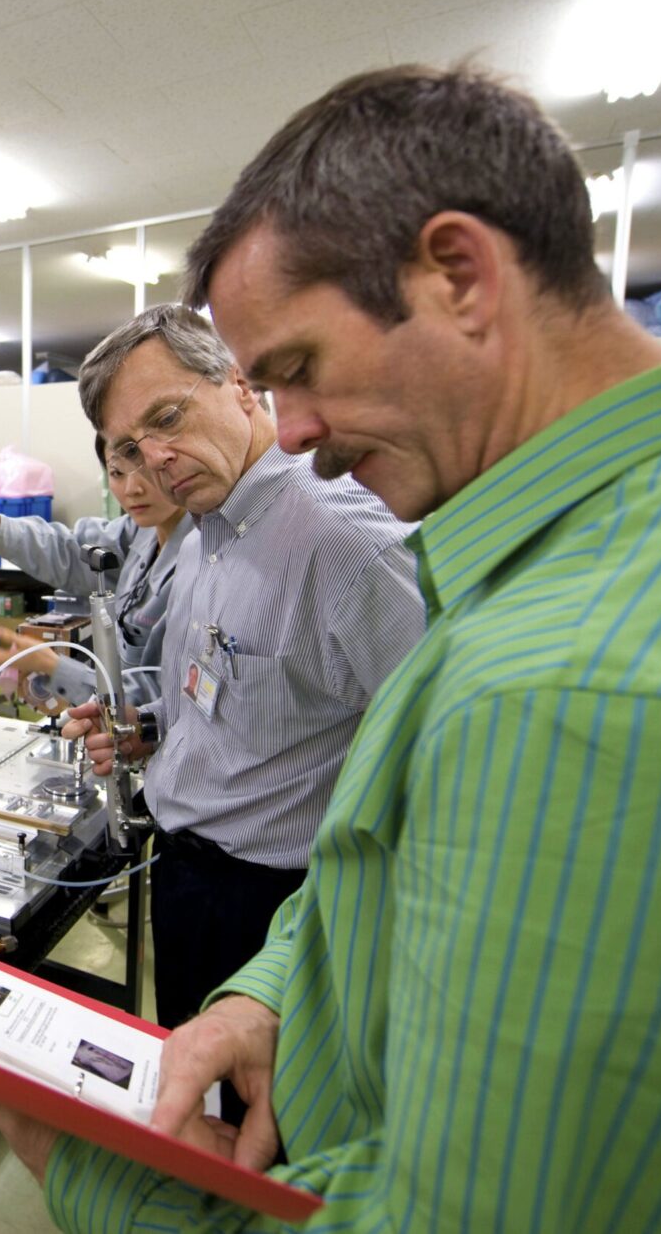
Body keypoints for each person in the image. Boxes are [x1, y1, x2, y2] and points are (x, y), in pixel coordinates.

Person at [0, 64, 661, 1232]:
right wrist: (285, 990)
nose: (292, 432)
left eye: (295, 370)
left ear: (460, 277)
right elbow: (395, 845)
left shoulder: (577, 685)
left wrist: (92, 1171)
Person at [59, 304, 425, 1031]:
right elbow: (237, 691)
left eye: (167, 417)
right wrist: (152, 727)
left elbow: (437, 768)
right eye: (128, 445)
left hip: (276, 907)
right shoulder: (205, 532)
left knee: (263, 1128)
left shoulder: (348, 545)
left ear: (240, 384)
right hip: (185, 876)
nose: (153, 461)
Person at [0, 435, 192, 711]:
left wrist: (53, 666)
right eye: (117, 472)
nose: (133, 489)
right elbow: (70, 551)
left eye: (145, 470)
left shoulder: (203, 562)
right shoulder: (142, 532)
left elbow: (170, 697)